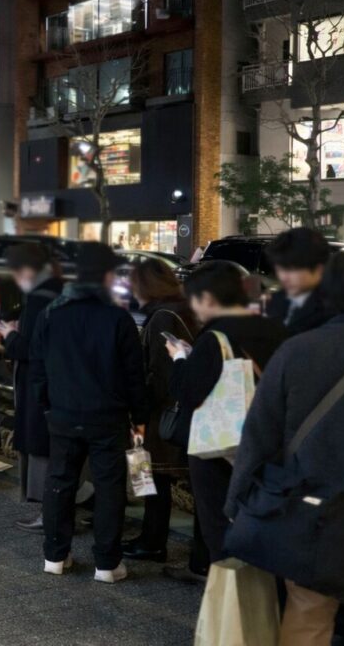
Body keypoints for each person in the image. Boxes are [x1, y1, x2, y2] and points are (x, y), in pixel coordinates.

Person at [227, 249, 344, 644]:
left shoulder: (297, 350)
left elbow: (259, 435)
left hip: (311, 509)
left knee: (307, 615)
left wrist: (237, 502)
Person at [30, 242, 145, 583]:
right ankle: (107, 564)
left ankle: (55, 556)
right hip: (107, 417)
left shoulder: (51, 313)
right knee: (109, 487)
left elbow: (37, 369)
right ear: (107, 276)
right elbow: (134, 376)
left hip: (63, 415)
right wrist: (140, 417)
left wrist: (47, 406)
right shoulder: (118, 318)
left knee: (60, 481)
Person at [167, 260, 286, 564]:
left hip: (220, 446)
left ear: (207, 298)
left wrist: (180, 359)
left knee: (219, 523)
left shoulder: (215, 337)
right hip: (270, 439)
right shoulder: (275, 328)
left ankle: (230, 585)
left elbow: (188, 391)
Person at [126, 259, 198, 565]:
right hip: (182, 411)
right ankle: (153, 538)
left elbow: (158, 373)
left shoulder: (161, 318)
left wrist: (139, 413)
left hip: (160, 415)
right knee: (159, 477)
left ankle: (152, 541)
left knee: (150, 475)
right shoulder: (185, 310)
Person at [0, 242, 65, 532]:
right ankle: (64, 507)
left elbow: (32, 349)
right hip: (59, 385)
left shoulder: (39, 299)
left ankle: (49, 514)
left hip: (39, 386)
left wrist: (10, 335)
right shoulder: (59, 290)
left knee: (41, 448)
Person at [264, 227, 332, 335]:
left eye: (291, 269)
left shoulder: (332, 308)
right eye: (280, 269)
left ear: (319, 269)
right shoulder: (275, 300)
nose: (283, 277)